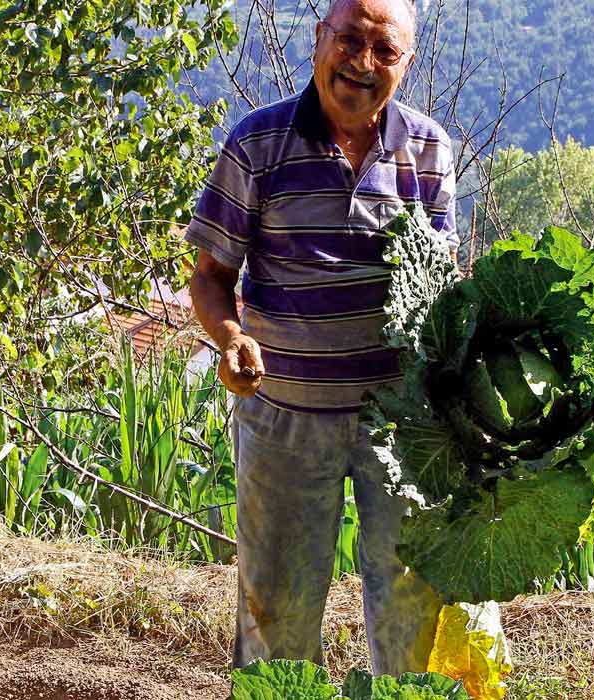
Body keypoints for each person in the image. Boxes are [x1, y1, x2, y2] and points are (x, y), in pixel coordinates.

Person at [185, 0, 462, 675]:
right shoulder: (258, 143)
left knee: (414, 617)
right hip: (285, 418)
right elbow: (211, 276)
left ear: (406, 63)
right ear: (319, 39)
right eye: (349, 40)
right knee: (275, 615)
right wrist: (230, 337)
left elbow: (441, 284)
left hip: (402, 427)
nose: (362, 62)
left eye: (384, 50)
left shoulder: (428, 149)